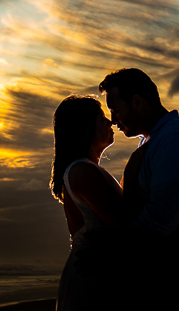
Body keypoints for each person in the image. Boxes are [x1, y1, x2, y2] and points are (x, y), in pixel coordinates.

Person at [100, 68, 179, 309]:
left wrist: (111, 249)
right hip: (164, 279)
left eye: (115, 110)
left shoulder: (176, 139)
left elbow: (160, 219)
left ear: (136, 102)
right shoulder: (155, 140)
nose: (114, 120)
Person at [51, 94, 127, 311]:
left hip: (98, 272)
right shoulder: (82, 171)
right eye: (102, 118)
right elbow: (125, 223)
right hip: (92, 278)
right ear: (85, 129)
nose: (109, 122)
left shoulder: (87, 169)